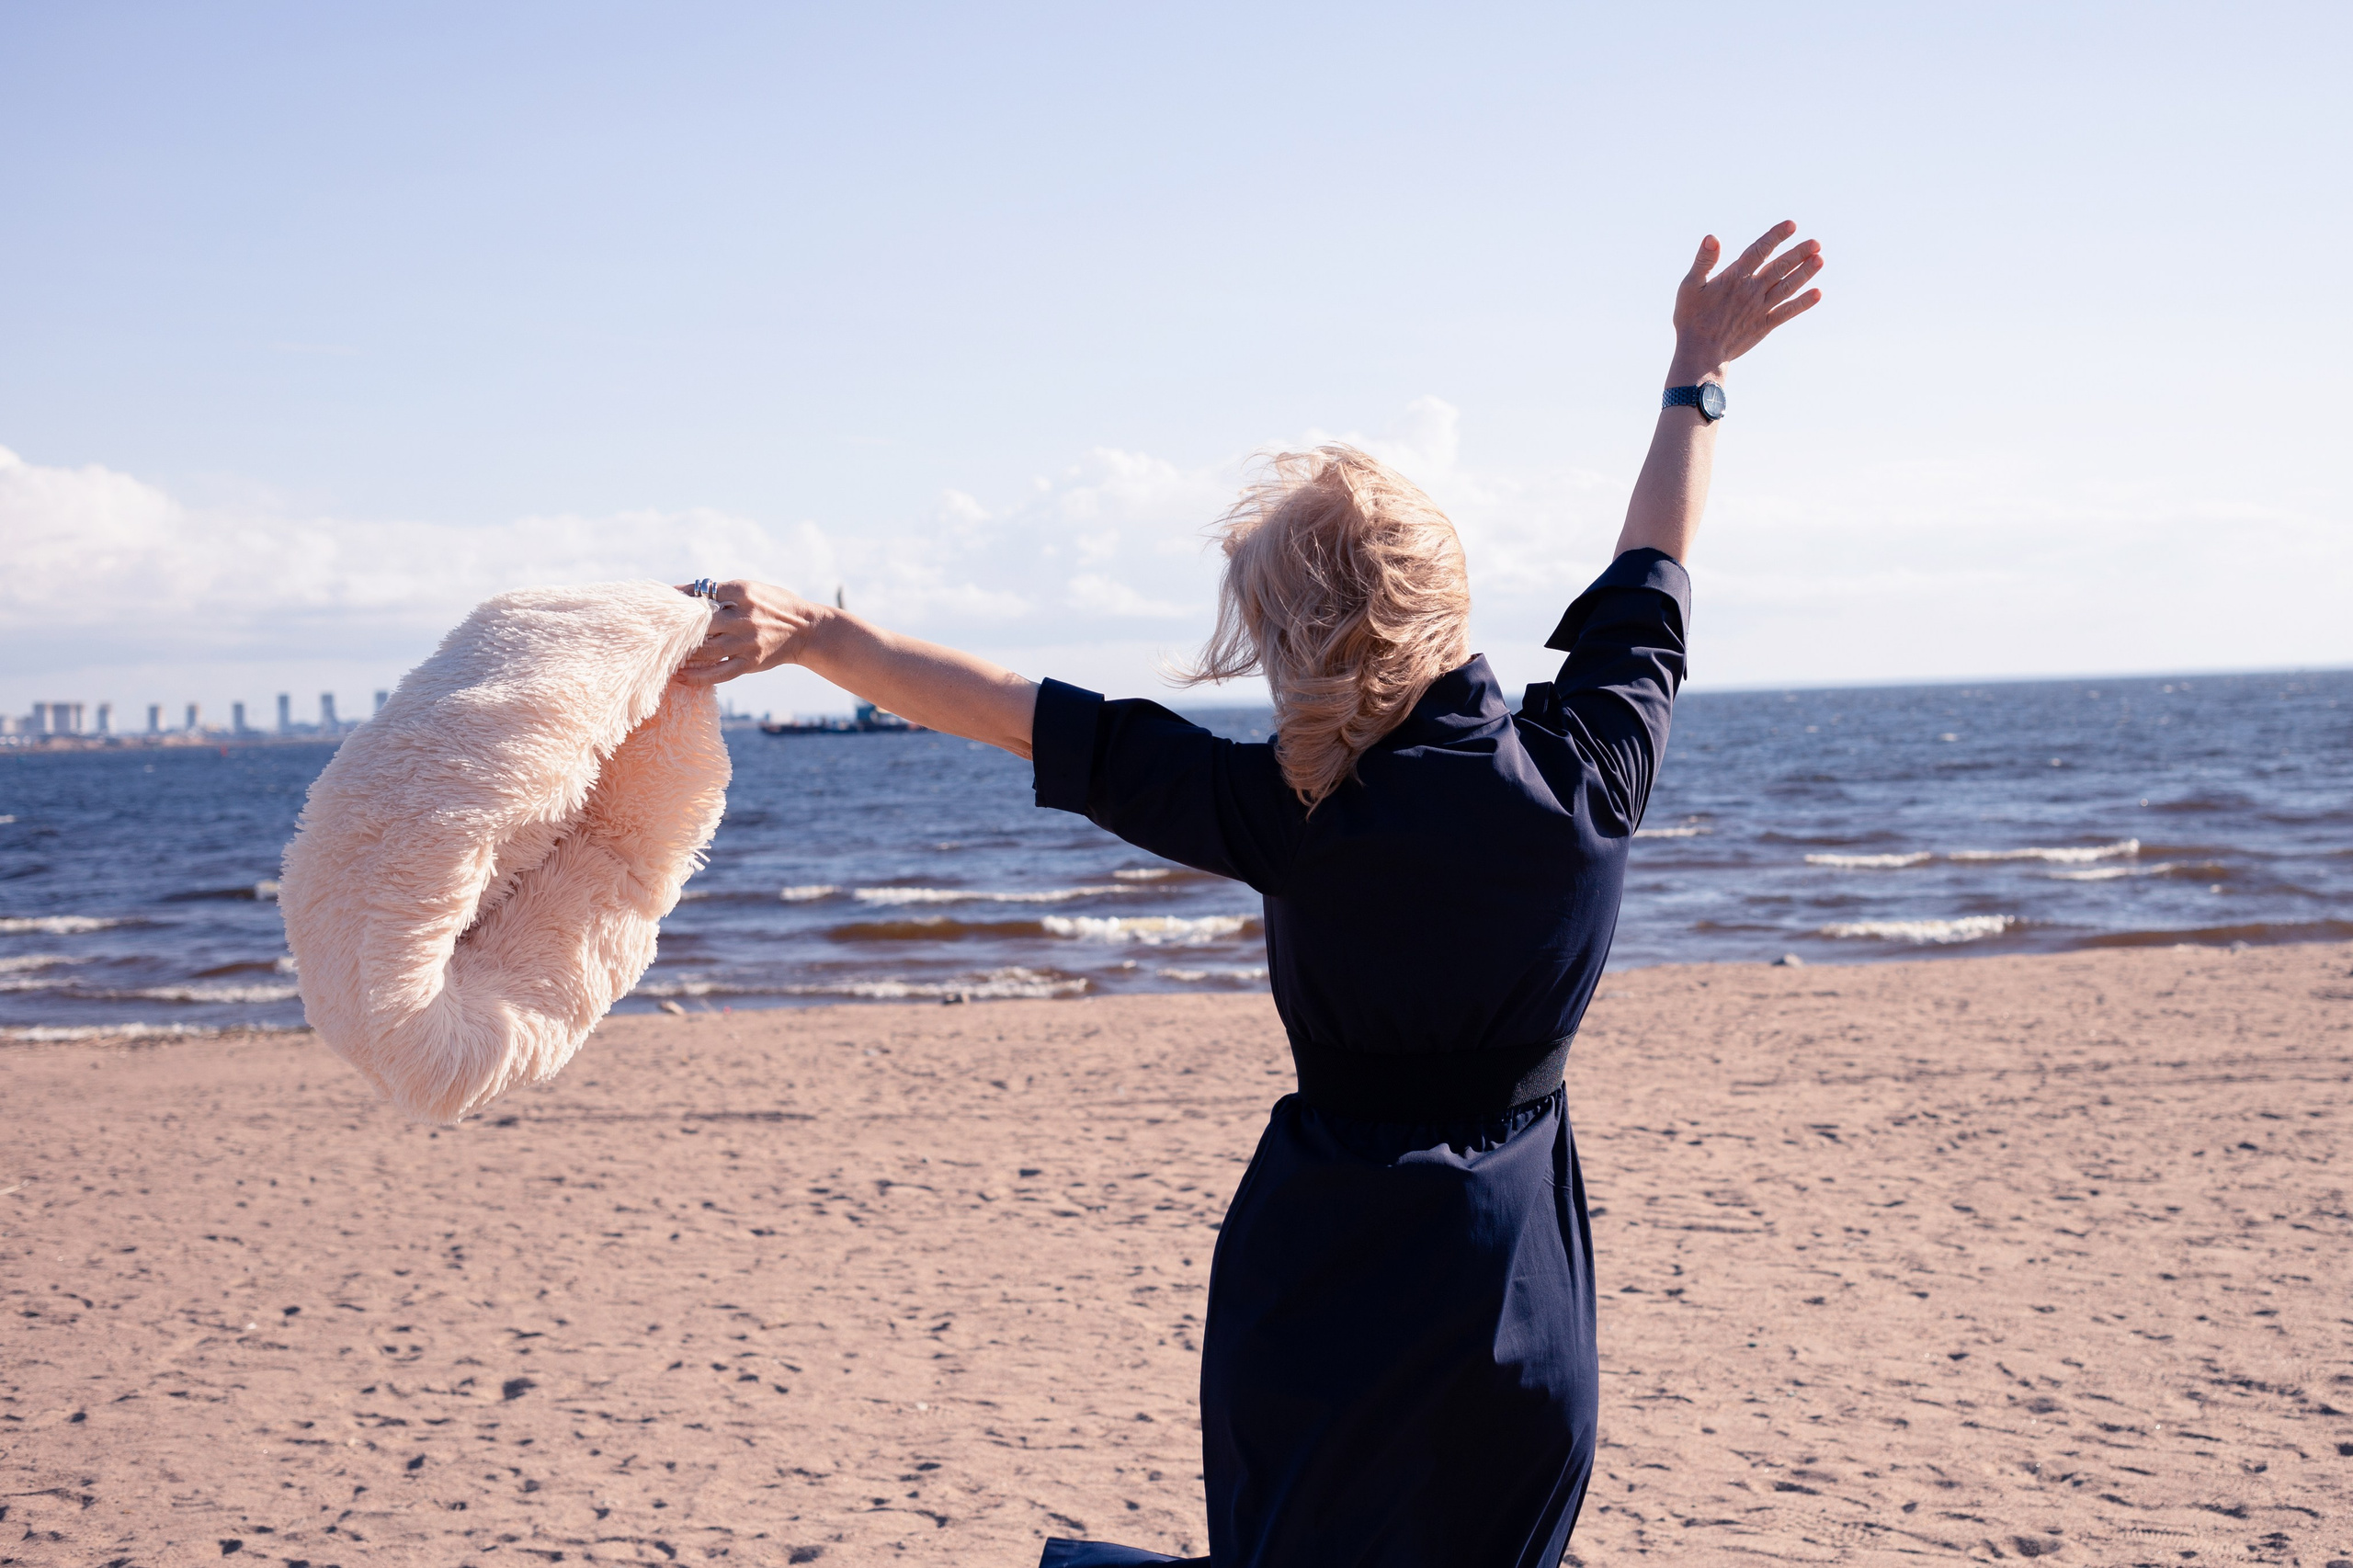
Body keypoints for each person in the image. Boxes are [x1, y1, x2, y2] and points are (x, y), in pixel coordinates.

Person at [677, 222, 1824, 1568]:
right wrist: (1694, 372)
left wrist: (817, 633)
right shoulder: (1587, 775)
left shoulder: (1291, 809)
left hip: (1312, 1290)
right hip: (1514, 1300)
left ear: (1297, 642)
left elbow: (1017, 712)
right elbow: (1653, 570)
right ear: (1443, 599)